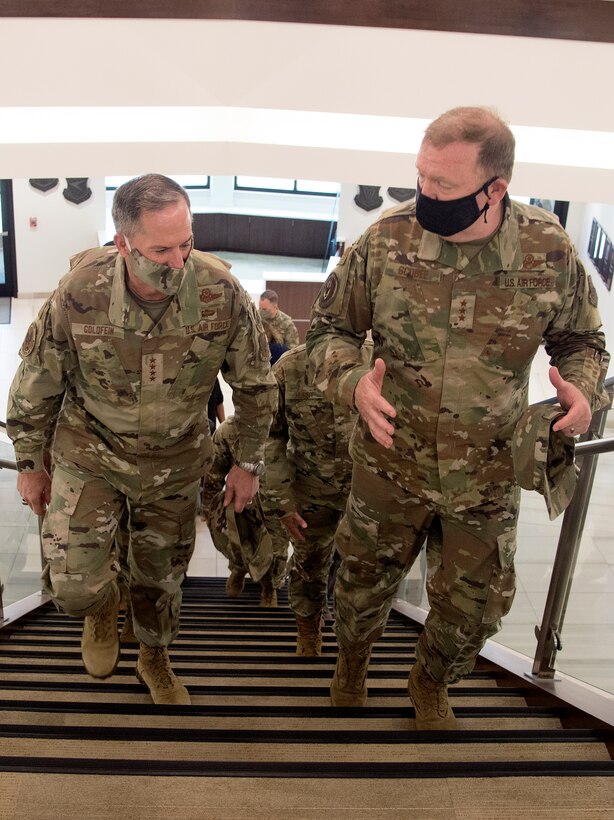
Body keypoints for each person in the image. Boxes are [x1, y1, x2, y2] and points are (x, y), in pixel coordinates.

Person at [306, 106, 610, 729]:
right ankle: (352, 665)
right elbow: (328, 332)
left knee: (477, 605)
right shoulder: (385, 242)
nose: (424, 194)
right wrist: (352, 383)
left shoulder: (546, 249)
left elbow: (582, 340)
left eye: (442, 185)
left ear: (494, 188)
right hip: (390, 460)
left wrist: (582, 392)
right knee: (362, 586)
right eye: (420, 176)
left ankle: (430, 681)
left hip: (488, 469)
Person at [7, 173, 277, 705]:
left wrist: (248, 464)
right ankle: (103, 612)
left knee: (160, 582)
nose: (178, 262)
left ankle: (154, 656)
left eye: (187, 244)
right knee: (72, 585)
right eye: (161, 249)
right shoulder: (80, 292)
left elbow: (255, 385)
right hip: (91, 452)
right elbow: (36, 383)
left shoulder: (221, 292)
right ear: (123, 243)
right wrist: (29, 463)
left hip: (176, 462)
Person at [265, 342, 371, 654]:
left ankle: (354, 648)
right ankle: (308, 632)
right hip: (310, 489)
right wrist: (280, 498)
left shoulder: (380, 358)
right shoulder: (290, 367)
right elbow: (270, 436)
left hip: (367, 492)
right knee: (309, 564)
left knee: (365, 571)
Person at [201, 415, 282, 606]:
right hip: (244, 506)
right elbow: (214, 472)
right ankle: (238, 569)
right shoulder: (229, 430)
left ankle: (269, 587)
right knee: (237, 544)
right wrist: (208, 508)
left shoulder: (286, 430)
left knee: (275, 550)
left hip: (276, 506)